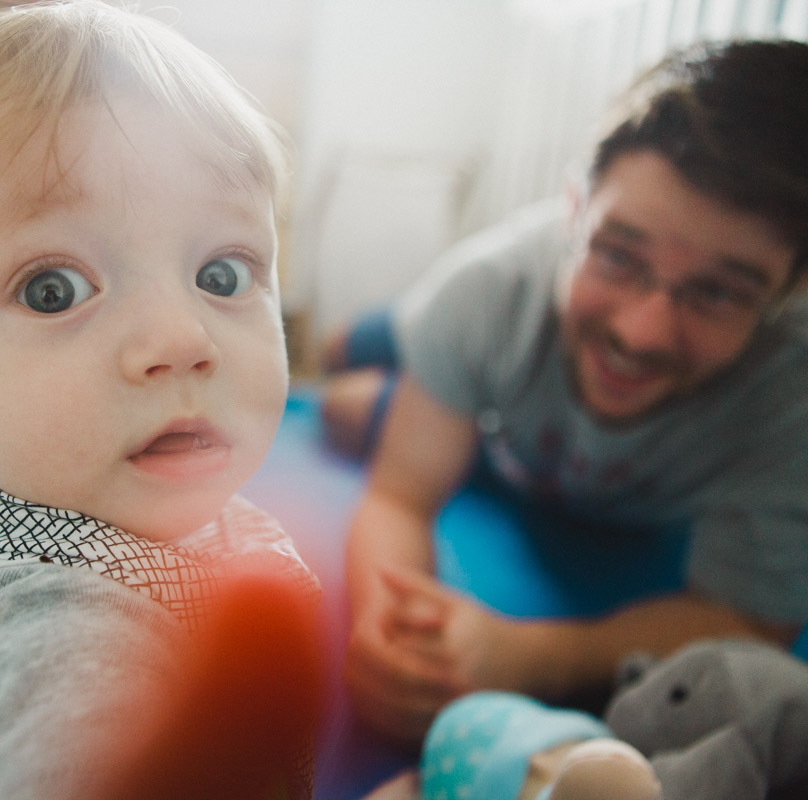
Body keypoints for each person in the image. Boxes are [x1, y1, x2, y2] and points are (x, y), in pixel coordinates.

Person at [0, 3, 323, 798]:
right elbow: (69, 734)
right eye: (53, 290)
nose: (180, 339)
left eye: (222, 273)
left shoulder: (33, 486)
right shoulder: (45, 619)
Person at [339, 39, 808, 748]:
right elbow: (400, 495)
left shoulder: (793, 389)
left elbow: (751, 621)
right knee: (344, 376)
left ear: (793, 291)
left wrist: (537, 660)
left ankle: (423, 391)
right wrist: (397, 635)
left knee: (380, 401)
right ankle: (396, 361)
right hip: (510, 396)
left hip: (525, 436)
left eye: (717, 293)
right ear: (572, 209)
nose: (643, 332)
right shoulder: (488, 290)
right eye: (617, 254)